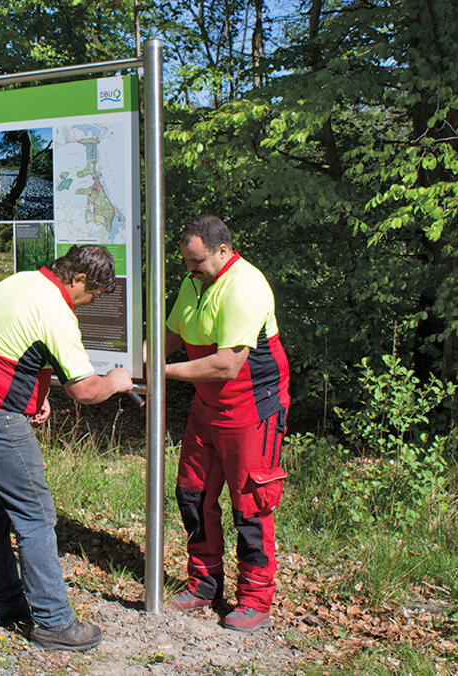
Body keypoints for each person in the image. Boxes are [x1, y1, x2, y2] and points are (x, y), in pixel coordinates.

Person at [0, 244, 134, 651]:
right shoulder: (57, 310)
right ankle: (54, 623)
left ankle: (6, 606)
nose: (88, 303)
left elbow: (12, 347)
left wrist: (34, 394)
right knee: (35, 515)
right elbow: (83, 389)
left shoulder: (22, 282)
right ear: (79, 280)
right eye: (92, 295)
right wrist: (115, 381)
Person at [162, 214, 290, 632]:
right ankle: (204, 582)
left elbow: (226, 364)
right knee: (192, 493)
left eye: (196, 260)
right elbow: (171, 337)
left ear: (222, 250)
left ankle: (255, 598)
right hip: (208, 404)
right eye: (186, 261)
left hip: (252, 404)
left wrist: (162, 372)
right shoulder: (194, 281)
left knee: (250, 504)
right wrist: (135, 364)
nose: (190, 269)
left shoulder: (246, 286)